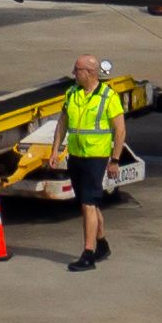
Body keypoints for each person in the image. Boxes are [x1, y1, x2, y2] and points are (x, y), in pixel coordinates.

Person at [56, 56, 127, 269]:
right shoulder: (72, 93)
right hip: (76, 155)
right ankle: (102, 243)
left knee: (88, 204)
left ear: (90, 72)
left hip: (96, 157)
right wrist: (55, 149)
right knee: (89, 203)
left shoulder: (108, 97)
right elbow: (63, 122)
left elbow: (120, 130)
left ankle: (88, 253)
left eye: (77, 70)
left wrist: (114, 160)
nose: (73, 73)